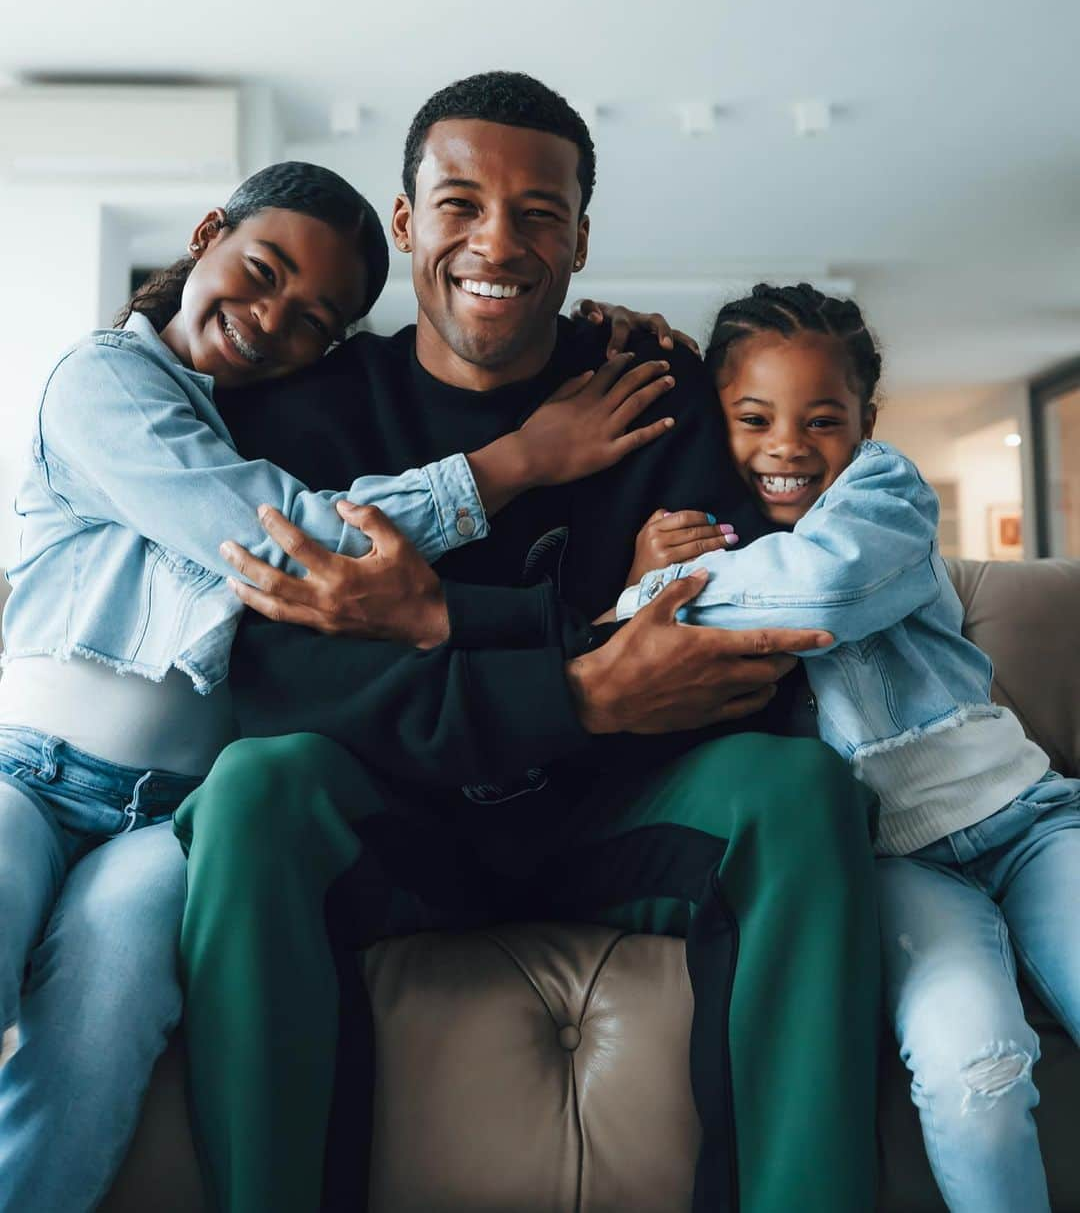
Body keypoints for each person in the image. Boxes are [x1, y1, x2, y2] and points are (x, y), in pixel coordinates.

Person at [177, 73, 880, 1213]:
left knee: (797, 788)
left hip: (613, 820)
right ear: (407, 225)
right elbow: (286, 680)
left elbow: (725, 655)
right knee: (256, 786)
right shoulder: (300, 412)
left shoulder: (656, 392)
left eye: (540, 213)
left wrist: (473, 651)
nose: (496, 241)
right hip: (395, 820)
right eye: (458, 204)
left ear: (582, 238)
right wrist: (587, 688)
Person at [0, 159, 674, 1213]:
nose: (268, 321)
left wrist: (600, 336)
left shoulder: (284, 424)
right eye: (260, 271)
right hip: (27, 777)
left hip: (165, 823)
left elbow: (358, 497)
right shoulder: (107, 382)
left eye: (313, 318)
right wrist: (519, 461)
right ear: (207, 233)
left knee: (112, 1003)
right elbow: (286, 540)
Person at [617, 282, 1080, 1213]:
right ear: (716, 419)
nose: (788, 446)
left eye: (822, 419)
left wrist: (646, 595)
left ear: (867, 420)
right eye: (753, 418)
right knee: (974, 1074)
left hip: (1030, 822)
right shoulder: (711, 523)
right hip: (894, 868)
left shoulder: (884, 491)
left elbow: (824, 597)